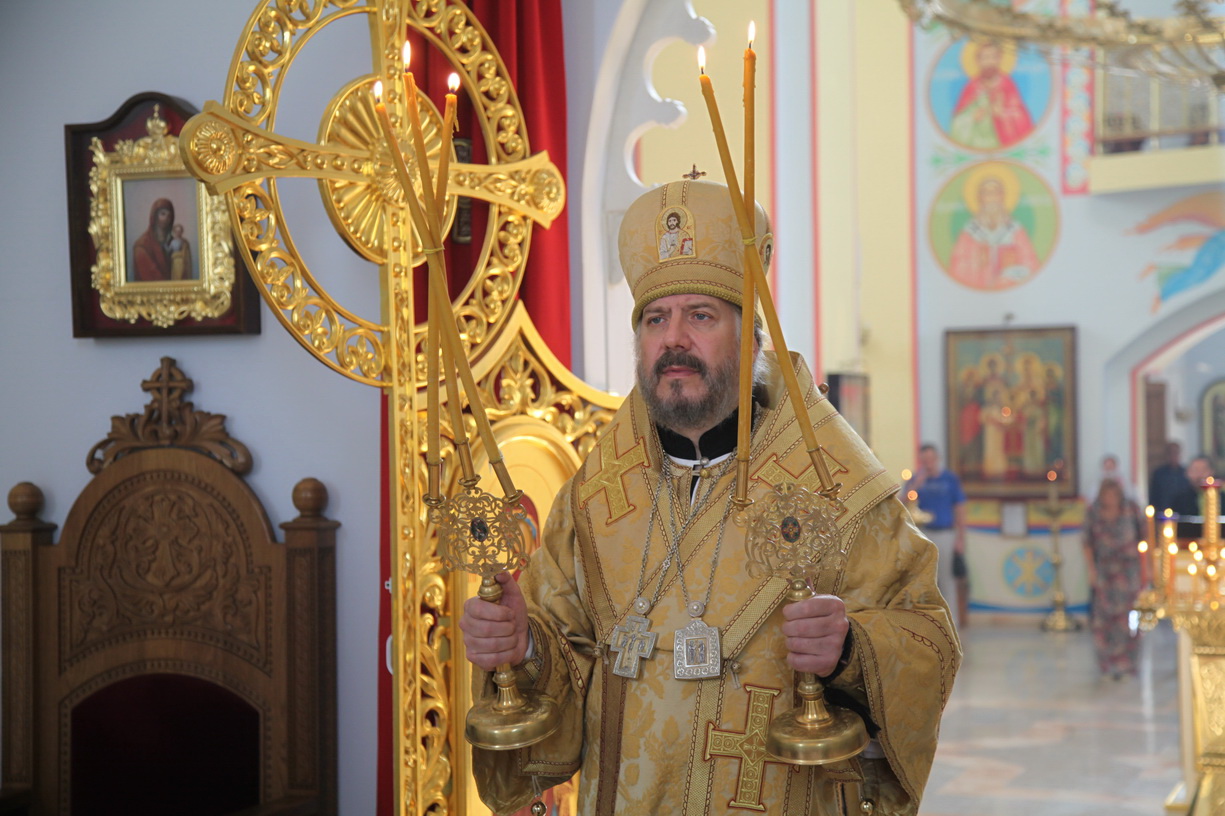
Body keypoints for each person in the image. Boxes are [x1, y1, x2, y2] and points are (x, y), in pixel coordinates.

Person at [459, 180, 960, 815]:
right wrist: (522, 646)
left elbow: (928, 638)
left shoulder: (839, 489)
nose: (674, 339)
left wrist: (851, 652)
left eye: (700, 316)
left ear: (751, 338)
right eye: (655, 318)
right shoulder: (592, 499)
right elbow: (567, 651)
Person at [1081, 478, 1144, 679]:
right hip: (1104, 571)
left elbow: (1144, 539)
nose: (1110, 498)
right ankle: (1107, 662)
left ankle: (1127, 662)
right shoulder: (1094, 512)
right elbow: (1087, 543)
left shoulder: (1131, 510)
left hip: (1128, 571)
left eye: (1113, 494)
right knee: (1103, 619)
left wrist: (1147, 567)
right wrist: (1091, 570)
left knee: (1129, 617)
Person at [906, 444, 968, 627]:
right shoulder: (916, 480)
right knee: (924, 579)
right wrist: (916, 484)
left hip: (945, 533)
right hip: (923, 534)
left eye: (931, 460)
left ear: (938, 459)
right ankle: (927, 622)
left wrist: (960, 538)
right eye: (925, 461)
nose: (928, 464)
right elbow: (902, 504)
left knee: (946, 578)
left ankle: (951, 622)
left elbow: (960, 508)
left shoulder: (950, 479)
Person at [947, 175, 1040, 290]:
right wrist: (976, 260)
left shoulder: (1015, 230)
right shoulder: (970, 232)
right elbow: (958, 267)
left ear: (1002, 197)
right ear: (980, 199)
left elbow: (1030, 263)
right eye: (986, 193)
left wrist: (1009, 276)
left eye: (995, 193)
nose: (991, 198)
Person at [948, 39, 1034, 150]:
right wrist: (972, 117)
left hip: (1003, 143)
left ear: (1000, 59)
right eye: (985, 58)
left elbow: (1020, 116)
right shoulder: (972, 87)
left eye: (994, 57)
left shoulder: (1007, 85)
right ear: (978, 61)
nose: (990, 62)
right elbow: (957, 120)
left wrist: (1002, 114)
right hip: (976, 143)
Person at [131, 198, 175, 282]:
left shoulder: (173, 242)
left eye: (169, 215)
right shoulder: (142, 246)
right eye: (163, 214)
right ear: (154, 216)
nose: (167, 218)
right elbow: (152, 279)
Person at [1148, 441, 1189, 513]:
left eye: (1176, 453)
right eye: (1171, 453)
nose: (1173, 456)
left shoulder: (1185, 473)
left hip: (1181, 513)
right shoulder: (1159, 473)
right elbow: (1154, 496)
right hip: (1162, 511)